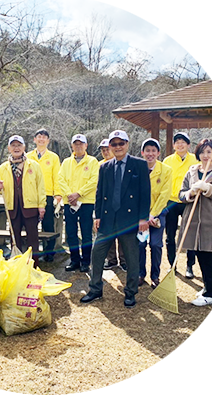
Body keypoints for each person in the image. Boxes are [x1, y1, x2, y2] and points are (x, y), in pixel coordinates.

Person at [80, 130, 150, 308]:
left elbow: (145, 193)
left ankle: (130, 292)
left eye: (121, 143)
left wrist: (143, 218)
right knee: (97, 255)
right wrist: (97, 215)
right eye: (114, 144)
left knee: (132, 258)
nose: (118, 147)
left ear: (127, 144)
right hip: (107, 219)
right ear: (110, 146)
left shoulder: (139, 165)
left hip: (129, 220)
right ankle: (95, 289)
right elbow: (99, 193)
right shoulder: (104, 167)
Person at [179, 139, 212, 306]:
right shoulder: (191, 172)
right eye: (202, 152)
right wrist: (190, 193)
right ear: (198, 154)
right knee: (199, 253)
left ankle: (209, 294)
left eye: (209, 152)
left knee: (210, 255)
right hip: (193, 221)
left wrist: (209, 189)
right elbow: (181, 194)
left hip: (211, 221)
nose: (205, 155)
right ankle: (207, 287)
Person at [0, 135, 46, 264]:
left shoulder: (33, 165)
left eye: (19, 145)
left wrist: (42, 205)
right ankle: (16, 265)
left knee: (33, 239)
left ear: (24, 147)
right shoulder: (2, 168)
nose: (16, 148)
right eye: (13, 145)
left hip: (30, 208)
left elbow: (40, 186)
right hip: (13, 209)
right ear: (9, 148)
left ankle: (34, 264)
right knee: (15, 239)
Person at [58, 134, 99, 273]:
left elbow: (94, 181)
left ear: (86, 145)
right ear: (72, 146)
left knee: (86, 232)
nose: (78, 146)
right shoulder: (66, 162)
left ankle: (86, 261)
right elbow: (60, 179)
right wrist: (70, 194)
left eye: (81, 143)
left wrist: (78, 193)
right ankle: (75, 260)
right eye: (76, 144)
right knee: (71, 232)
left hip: (86, 202)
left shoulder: (92, 161)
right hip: (69, 202)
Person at [163, 132, 198, 278]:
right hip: (171, 201)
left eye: (183, 142)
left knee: (189, 234)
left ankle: (190, 266)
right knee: (170, 235)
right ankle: (172, 264)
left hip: (188, 200)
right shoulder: (168, 160)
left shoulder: (195, 160)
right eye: (177, 142)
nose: (180, 144)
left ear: (188, 145)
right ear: (173, 145)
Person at [139, 138, 172, 288]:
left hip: (158, 215)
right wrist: (144, 217)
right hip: (141, 217)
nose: (150, 153)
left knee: (156, 244)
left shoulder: (166, 170)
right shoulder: (137, 168)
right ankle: (140, 274)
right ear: (142, 152)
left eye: (153, 150)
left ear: (158, 153)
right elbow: (135, 194)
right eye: (147, 150)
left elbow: (165, 195)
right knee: (140, 244)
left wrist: (153, 214)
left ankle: (155, 276)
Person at [27, 129, 61, 262]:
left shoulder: (53, 157)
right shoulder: (28, 156)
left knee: (48, 224)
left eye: (44, 137)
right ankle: (32, 251)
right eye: (39, 137)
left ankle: (49, 252)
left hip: (47, 194)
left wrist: (57, 193)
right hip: (30, 194)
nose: (41, 139)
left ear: (48, 141)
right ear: (34, 139)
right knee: (31, 224)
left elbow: (57, 176)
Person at [98, 139, 127, 272]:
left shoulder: (125, 164)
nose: (105, 152)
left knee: (122, 234)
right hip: (106, 206)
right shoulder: (100, 166)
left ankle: (124, 260)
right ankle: (111, 259)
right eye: (103, 150)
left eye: (106, 149)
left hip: (121, 205)